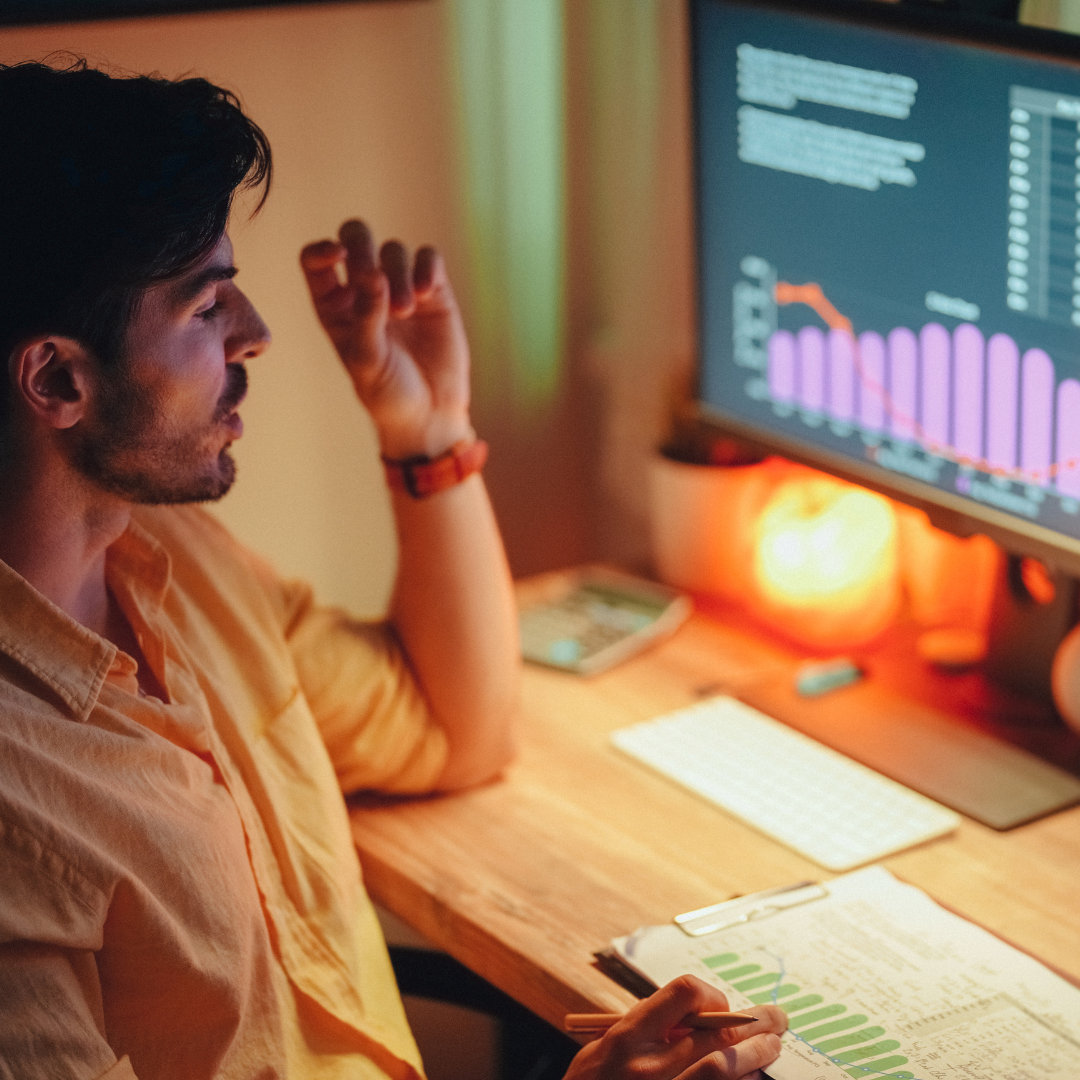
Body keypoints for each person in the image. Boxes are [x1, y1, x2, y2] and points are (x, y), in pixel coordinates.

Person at [0, 58, 786, 1079]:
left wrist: (428, 435)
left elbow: (452, 732)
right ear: (58, 376)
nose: (259, 337)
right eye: (206, 311)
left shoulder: (171, 561)